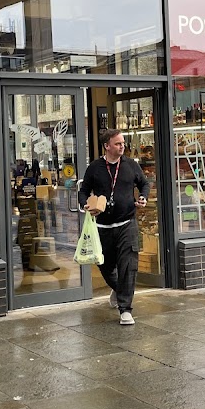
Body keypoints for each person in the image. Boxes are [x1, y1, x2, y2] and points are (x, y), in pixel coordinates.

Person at [79, 128, 150, 325]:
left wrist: (143, 197)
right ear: (107, 146)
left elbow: (144, 184)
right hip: (102, 227)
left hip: (127, 223)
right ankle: (119, 289)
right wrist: (85, 204)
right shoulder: (94, 168)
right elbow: (83, 191)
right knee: (105, 265)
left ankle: (125, 309)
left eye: (123, 143)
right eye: (118, 144)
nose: (122, 146)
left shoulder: (130, 165)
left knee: (128, 266)